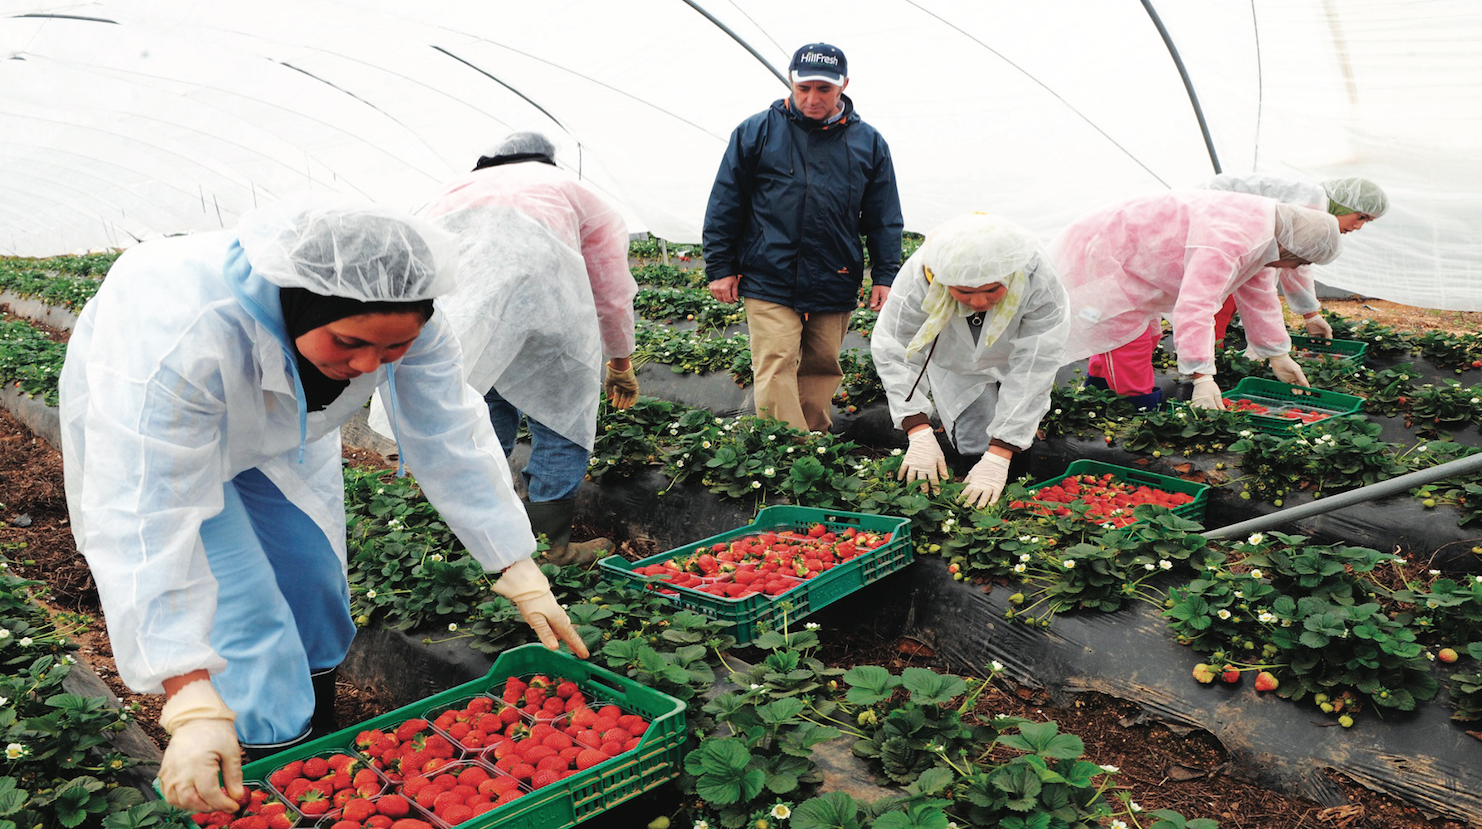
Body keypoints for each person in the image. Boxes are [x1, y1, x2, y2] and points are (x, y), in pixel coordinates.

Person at [58, 199, 588, 814]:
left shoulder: (409, 323)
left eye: (391, 350)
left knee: (313, 579)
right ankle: (271, 763)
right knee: (247, 613)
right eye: (349, 342)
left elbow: (449, 434)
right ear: (302, 307)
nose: (367, 365)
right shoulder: (184, 329)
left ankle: (315, 725)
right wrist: (189, 695)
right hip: (170, 437)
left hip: (284, 428)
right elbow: (146, 514)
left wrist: (514, 565)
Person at [370, 132, 639, 566]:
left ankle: (476, 537)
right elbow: (610, 290)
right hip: (554, 319)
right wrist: (620, 360)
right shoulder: (574, 193)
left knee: (481, 414)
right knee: (561, 421)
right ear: (547, 162)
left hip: (471, 319)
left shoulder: (449, 192)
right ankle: (550, 548)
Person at [703, 42, 904, 433]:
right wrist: (721, 267)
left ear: (843, 85)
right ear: (791, 82)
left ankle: (813, 444)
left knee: (822, 365)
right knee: (776, 360)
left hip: (835, 271)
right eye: (804, 88)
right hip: (768, 271)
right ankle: (788, 451)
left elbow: (883, 216)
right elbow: (726, 203)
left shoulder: (869, 143)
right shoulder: (756, 132)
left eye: (824, 89)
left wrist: (885, 275)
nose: (812, 98)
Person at [1050, 190, 1342, 410]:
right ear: (1291, 249)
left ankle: (1097, 391)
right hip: (1104, 252)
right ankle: (1136, 409)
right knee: (1128, 337)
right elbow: (1196, 305)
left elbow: (1259, 297)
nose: (1294, 270)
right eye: (1300, 262)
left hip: (1134, 260)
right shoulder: (1230, 240)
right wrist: (1201, 376)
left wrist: (1277, 353)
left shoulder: (1265, 236)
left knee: (1143, 335)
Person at [872, 213, 1069, 508]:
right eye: (964, 291)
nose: (979, 302)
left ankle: (1009, 487)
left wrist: (1001, 454)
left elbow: (1035, 364)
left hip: (1015, 348)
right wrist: (917, 427)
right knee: (973, 422)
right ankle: (973, 500)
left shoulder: (1037, 276)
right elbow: (895, 347)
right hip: (954, 358)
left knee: (1011, 430)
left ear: (1010, 275)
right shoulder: (920, 276)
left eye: (992, 290)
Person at [1200, 175, 1389, 342]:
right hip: (1209, 216)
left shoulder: (1315, 211)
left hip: (1227, 230)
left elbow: (1296, 263)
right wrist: (1273, 345)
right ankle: (1203, 365)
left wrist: (1310, 315)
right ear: (1345, 204)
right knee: (1217, 298)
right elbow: (1285, 264)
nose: (1358, 226)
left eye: (1366, 221)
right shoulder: (1310, 206)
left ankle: (1209, 358)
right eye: (1361, 216)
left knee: (1231, 292)